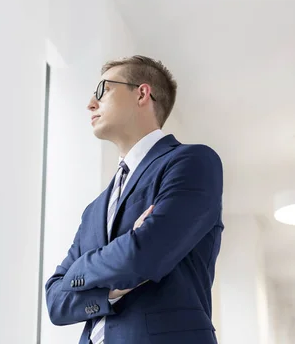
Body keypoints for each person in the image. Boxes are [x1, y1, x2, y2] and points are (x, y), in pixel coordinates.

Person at [45, 55, 224, 344]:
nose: (91, 103)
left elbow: (144, 254)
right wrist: (112, 289)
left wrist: (79, 271)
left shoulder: (192, 162)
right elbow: (55, 301)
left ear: (142, 93)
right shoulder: (94, 210)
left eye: (103, 90)